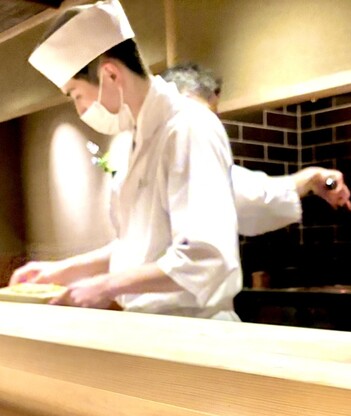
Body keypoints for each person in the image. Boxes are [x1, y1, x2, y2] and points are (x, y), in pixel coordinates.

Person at [10, 0, 241, 320]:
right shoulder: (142, 139)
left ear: (110, 74)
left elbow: (206, 258)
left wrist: (104, 286)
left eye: (77, 94)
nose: (80, 109)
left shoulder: (188, 127)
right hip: (152, 326)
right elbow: (138, 249)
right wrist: (60, 270)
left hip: (193, 328)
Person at [161, 63, 351, 236]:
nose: (215, 124)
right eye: (212, 114)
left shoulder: (170, 147)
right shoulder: (187, 125)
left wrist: (311, 178)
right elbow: (238, 195)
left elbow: (244, 194)